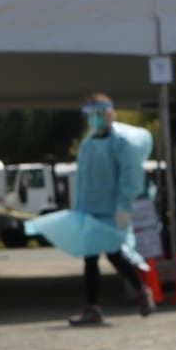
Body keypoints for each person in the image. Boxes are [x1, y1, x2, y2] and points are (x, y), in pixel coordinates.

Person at [68, 94, 156, 326]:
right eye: (91, 116)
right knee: (90, 258)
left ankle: (141, 290)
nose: (93, 120)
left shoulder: (121, 144)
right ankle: (93, 308)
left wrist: (124, 207)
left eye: (97, 115)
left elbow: (130, 177)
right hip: (90, 210)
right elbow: (82, 181)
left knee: (114, 255)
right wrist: (78, 210)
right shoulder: (87, 144)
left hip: (111, 210)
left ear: (107, 114)